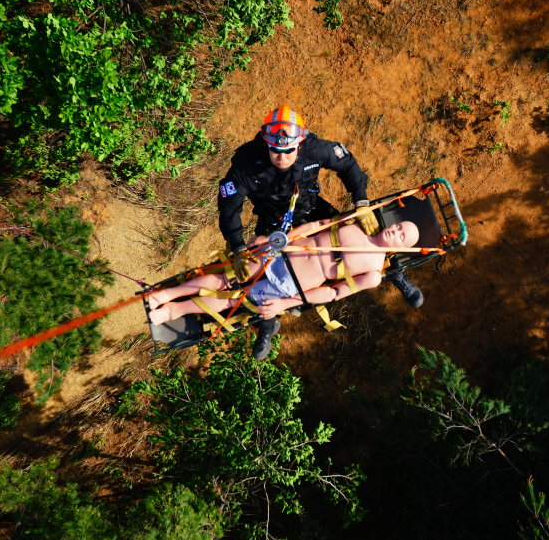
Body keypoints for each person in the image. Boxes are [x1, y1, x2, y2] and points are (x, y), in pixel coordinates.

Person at [218, 105, 424, 357]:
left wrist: (361, 203)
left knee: (364, 237)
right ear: (265, 142)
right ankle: (267, 324)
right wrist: (238, 246)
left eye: (289, 150)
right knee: (257, 270)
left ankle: (393, 272)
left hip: (310, 206)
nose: (282, 157)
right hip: (272, 217)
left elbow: (348, 164)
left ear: (300, 142)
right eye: (275, 150)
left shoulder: (315, 148)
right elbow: (229, 208)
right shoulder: (246, 162)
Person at [149, 219, 420, 359]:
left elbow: (332, 293)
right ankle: (165, 295)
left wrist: (286, 304)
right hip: (281, 255)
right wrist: (277, 239)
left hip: (290, 287)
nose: (395, 231)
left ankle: (173, 311)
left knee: (232, 300)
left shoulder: (373, 273)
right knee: (226, 279)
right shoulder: (356, 226)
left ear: (401, 248)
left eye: (401, 235)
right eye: (397, 226)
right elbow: (314, 227)